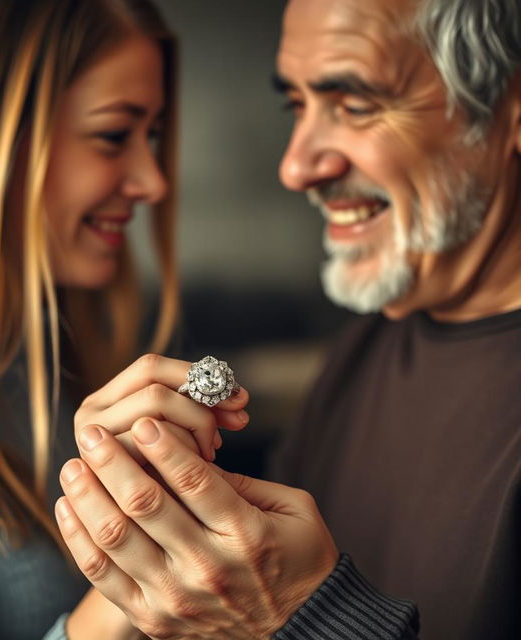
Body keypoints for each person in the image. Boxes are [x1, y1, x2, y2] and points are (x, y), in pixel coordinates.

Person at [55, 0, 521, 638]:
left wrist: (305, 616)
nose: (296, 167)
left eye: (355, 104)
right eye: (297, 105)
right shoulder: (364, 352)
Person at [0, 1, 250, 638]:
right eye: (114, 135)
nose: (153, 182)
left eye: (153, 136)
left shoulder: (70, 359)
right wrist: (136, 584)